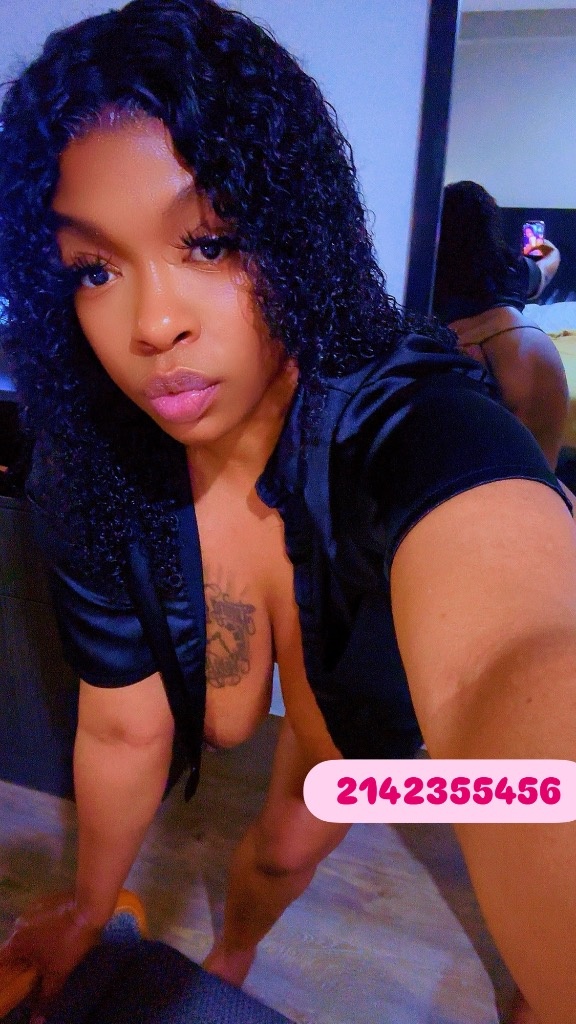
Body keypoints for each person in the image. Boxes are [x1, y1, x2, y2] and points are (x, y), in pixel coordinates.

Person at [0, 4, 575, 1023]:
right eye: (94, 269)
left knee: (293, 836)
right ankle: (234, 954)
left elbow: (518, 660)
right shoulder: (92, 458)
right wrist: (89, 907)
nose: (153, 323)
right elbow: (125, 729)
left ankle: (240, 944)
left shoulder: (421, 425)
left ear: (292, 229)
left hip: (389, 751)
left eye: (209, 243)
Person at [432, 181, 568, 468]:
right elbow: (547, 266)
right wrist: (544, 248)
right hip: (534, 357)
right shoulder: (512, 271)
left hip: (477, 365)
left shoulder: (428, 277)